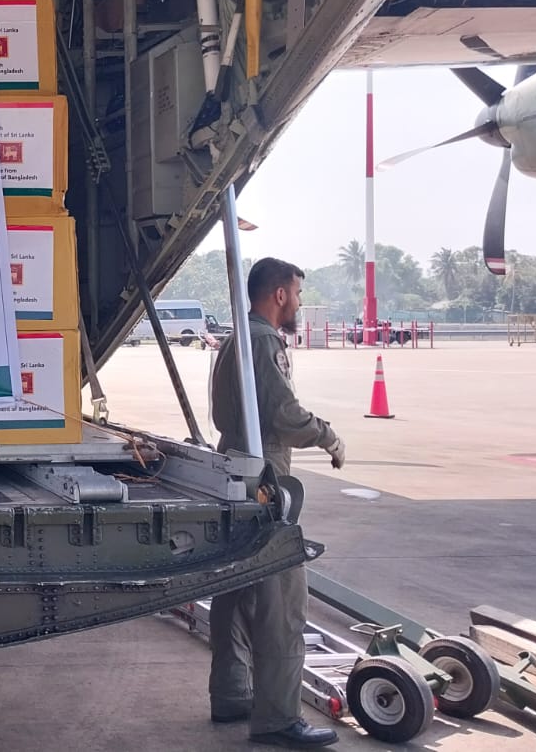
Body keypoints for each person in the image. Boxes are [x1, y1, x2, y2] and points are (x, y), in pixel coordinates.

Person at [207, 257, 345, 748]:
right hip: (264, 475)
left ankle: (231, 694)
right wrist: (328, 436)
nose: (300, 303)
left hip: (233, 464)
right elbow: (285, 415)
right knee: (283, 599)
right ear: (280, 294)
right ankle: (278, 719)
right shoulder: (265, 340)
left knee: (234, 589)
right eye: (298, 294)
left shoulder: (235, 338)